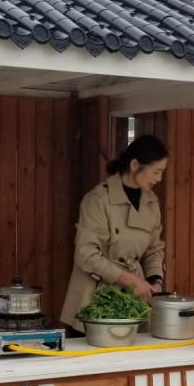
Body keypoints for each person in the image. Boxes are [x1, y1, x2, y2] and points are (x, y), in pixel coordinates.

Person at [60, 135, 168, 332]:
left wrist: (155, 281)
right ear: (135, 165)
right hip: (94, 298)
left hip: (134, 300)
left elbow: (154, 248)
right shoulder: (98, 199)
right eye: (156, 171)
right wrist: (130, 280)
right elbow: (86, 254)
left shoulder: (152, 202)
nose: (159, 179)